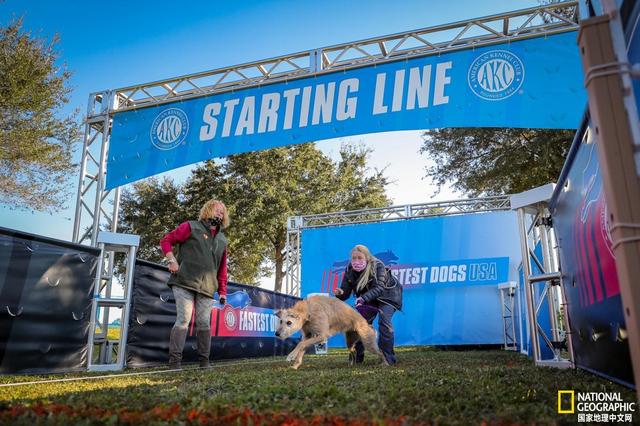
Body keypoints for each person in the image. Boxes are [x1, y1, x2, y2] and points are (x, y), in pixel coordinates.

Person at [160, 199, 230, 368]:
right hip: (184, 281)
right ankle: (175, 362)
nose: (219, 214)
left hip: (207, 287)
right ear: (207, 211)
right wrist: (171, 260)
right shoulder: (191, 226)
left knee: (204, 323)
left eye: (222, 212)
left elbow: (222, 269)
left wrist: (222, 291)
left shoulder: (222, 240)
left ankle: (204, 362)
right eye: (216, 210)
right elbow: (166, 241)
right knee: (183, 319)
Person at [334, 244, 402, 365]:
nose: (356, 261)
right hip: (367, 298)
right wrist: (340, 293)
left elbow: (379, 288)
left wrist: (363, 298)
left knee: (384, 322)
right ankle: (357, 358)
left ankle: (388, 359)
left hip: (388, 296)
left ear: (367, 258)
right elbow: (345, 292)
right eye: (354, 258)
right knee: (357, 324)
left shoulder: (378, 266)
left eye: (360, 258)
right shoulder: (350, 270)